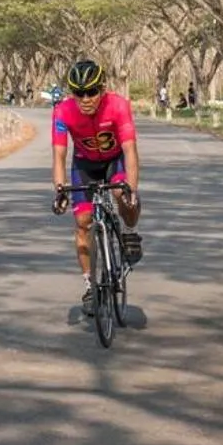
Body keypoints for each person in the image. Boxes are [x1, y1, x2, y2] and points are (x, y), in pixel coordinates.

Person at [51, 57, 143, 307]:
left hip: (115, 160)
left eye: (91, 92)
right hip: (84, 165)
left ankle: (130, 232)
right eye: (79, 93)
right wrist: (60, 189)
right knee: (82, 222)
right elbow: (59, 154)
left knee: (120, 195)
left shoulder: (118, 105)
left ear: (102, 89)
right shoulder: (62, 111)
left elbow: (130, 150)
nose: (86, 99)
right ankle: (90, 286)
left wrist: (131, 191)